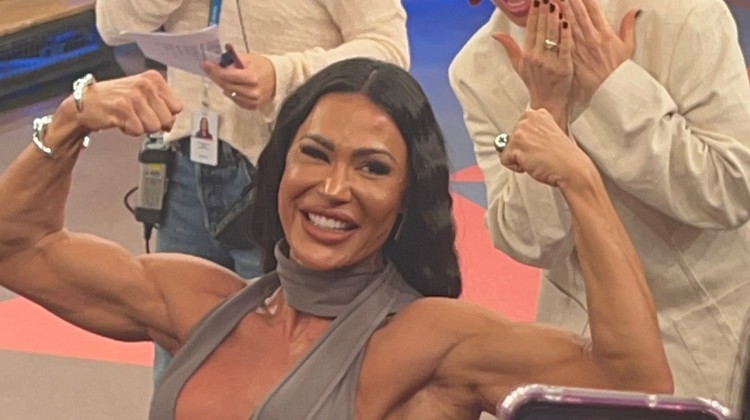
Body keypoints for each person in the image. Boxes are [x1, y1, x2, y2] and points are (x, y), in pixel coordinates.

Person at [0, 59, 672, 418]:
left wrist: (582, 181)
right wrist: (69, 120)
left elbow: (634, 385)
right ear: (279, 167)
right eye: (315, 154)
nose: (333, 188)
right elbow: (17, 249)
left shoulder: (430, 340)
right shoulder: (199, 302)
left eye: (372, 168)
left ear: (406, 200)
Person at [450, 0, 750, 401]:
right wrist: (545, 110)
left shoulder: (681, 14)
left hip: (714, 337)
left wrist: (614, 87)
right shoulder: (478, 68)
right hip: (585, 351)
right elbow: (529, 242)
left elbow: (731, 188)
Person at [95, 0, 410, 378]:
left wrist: (283, 76)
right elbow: (113, 26)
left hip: (286, 175)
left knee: (280, 366)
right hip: (185, 165)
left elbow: (388, 50)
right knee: (180, 354)